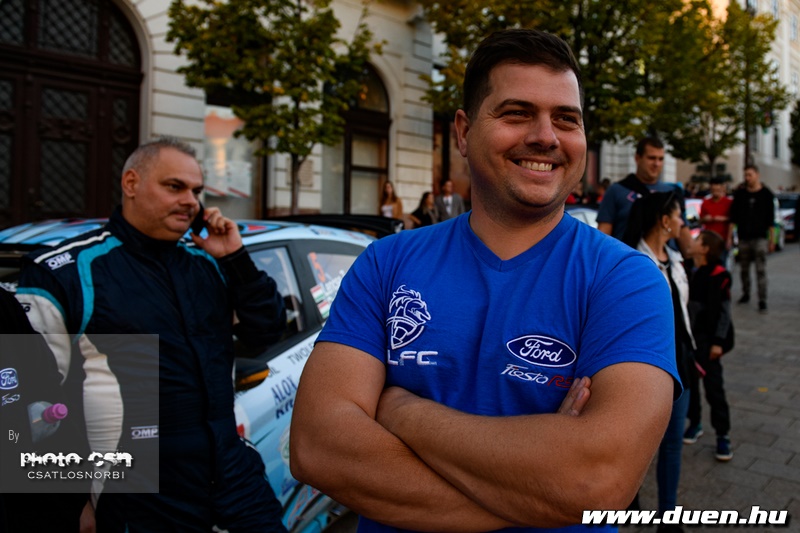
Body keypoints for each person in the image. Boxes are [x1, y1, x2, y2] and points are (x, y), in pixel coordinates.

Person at [289, 29, 679, 533]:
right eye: (517, 113)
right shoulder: (386, 262)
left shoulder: (626, 279)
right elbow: (319, 447)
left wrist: (401, 410)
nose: (546, 136)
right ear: (463, 131)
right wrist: (538, 492)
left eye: (566, 119)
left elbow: (596, 482)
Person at [15, 137, 288, 532]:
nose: (190, 201)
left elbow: (267, 331)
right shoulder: (67, 271)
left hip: (231, 470)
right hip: (135, 489)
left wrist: (236, 258)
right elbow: (25, 402)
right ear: (131, 183)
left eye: (196, 191)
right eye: (175, 186)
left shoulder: (208, 263)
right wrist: (70, 500)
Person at [623, 192, 695, 533]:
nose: (682, 222)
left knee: (672, 445)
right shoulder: (632, 263)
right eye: (678, 215)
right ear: (664, 221)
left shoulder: (676, 259)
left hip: (682, 361)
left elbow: (684, 312)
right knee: (634, 442)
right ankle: (628, 499)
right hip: (645, 369)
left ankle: (669, 516)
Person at [684, 230, 734, 462]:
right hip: (690, 340)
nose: (691, 241)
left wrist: (718, 343)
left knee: (714, 389)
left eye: (697, 240)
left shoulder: (719, 275)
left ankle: (723, 435)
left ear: (705, 249)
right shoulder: (687, 270)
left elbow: (724, 314)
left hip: (709, 342)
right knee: (691, 385)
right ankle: (695, 423)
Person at [597, 137, 692, 256]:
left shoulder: (671, 193)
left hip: (666, 262)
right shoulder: (616, 191)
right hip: (627, 261)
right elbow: (603, 236)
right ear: (638, 158)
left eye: (661, 159)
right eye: (652, 158)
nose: (657, 164)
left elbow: (686, 242)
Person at [729, 164, 775, 313]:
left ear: (757, 175)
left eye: (750, 175)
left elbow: (771, 221)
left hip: (760, 237)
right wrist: (730, 237)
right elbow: (733, 218)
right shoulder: (740, 194)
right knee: (744, 269)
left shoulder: (766, 194)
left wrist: (771, 240)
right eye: (746, 175)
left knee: (760, 269)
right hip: (744, 237)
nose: (747, 178)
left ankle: (762, 299)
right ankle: (746, 292)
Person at [699, 177, 733, 265]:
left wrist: (729, 239)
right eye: (713, 190)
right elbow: (700, 220)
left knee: (721, 263)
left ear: (722, 188)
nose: (715, 192)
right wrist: (705, 219)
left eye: (718, 190)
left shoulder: (728, 202)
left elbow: (732, 221)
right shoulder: (705, 202)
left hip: (722, 239)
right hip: (709, 240)